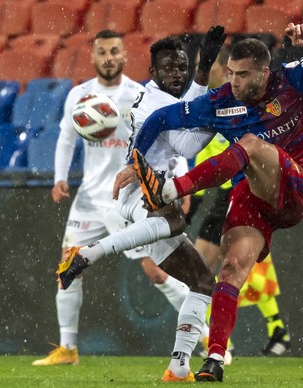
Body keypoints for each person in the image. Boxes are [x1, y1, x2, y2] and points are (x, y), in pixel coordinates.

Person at [124, 23, 303, 382]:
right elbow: (159, 118)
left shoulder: (293, 79)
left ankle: (170, 190)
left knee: (249, 145)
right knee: (230, 269)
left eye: (242, 75)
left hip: (295, 188)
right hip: (252, 196)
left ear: (264, 72)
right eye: (230, 73)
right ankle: (214, 359)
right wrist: (133, 162)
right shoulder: (220, 102)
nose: (233, 82)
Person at [56, 28, 227, 382]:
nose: (176, 74)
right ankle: (87, 254)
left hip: (152, 191)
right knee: (175, 220)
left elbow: (188, 119)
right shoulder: (154, 102)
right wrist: (213, 98)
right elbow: (188, 145)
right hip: (142, 193)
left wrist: (202, 74)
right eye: (168, 69)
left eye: (181, 67)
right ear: (154, 73)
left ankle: (178, 367)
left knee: (201, 281)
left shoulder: (157, 95)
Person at [32, 29, 197, 368]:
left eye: (114, 51)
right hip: (89, 200)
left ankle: (205, 331)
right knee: (69, 266)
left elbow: (170, 140)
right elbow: (65, 138)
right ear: (93, 57)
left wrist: (182, 183)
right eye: (102, 51)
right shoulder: (80, 94)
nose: (108, 57)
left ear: (124, 56)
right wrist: (60, 178)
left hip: (132, 196)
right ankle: (68, 348)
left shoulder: (140, 94)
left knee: (156, 272)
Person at [194, 46, 292, 357]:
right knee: (224, 265)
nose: (203, 68)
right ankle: (268, 328)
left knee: (222, 264)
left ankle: (216, 337)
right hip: (215, 192)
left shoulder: (241, 104)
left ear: (223, 68)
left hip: (238, 189)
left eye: (207, 64)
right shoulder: (212, 103)